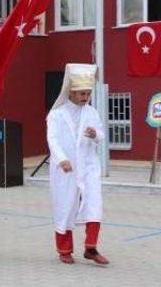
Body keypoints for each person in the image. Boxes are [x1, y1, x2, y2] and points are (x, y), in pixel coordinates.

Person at [46, 63, 109, 265]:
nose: (85, 98)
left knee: (94, 203)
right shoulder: (56, 114)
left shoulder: (91, 112)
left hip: (88, 165)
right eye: (81, 94)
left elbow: (101, 133)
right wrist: (62, 158)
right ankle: (64, 250)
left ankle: (91, 248)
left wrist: (95, 134)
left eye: (87, 94)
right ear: (71, 93)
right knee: (65, 206)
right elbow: (52, 139)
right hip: (65, 167)